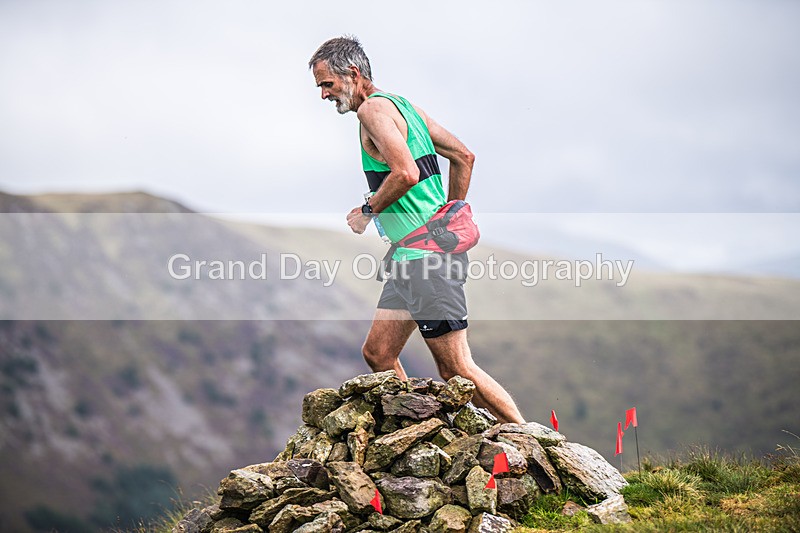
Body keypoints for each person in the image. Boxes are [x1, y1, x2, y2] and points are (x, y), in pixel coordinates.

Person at [308, 36, 524, 424]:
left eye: (328, 84)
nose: (323, 95)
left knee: (457, 368)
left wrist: (367, 210)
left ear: (353, 74)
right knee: (378, 353)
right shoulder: (406, 108)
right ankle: (421, 431)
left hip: (426, 263)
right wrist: (450, 216)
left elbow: (405, 172)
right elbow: (464, 156)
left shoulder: (372, 111)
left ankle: (530, 440)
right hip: (411, 260)